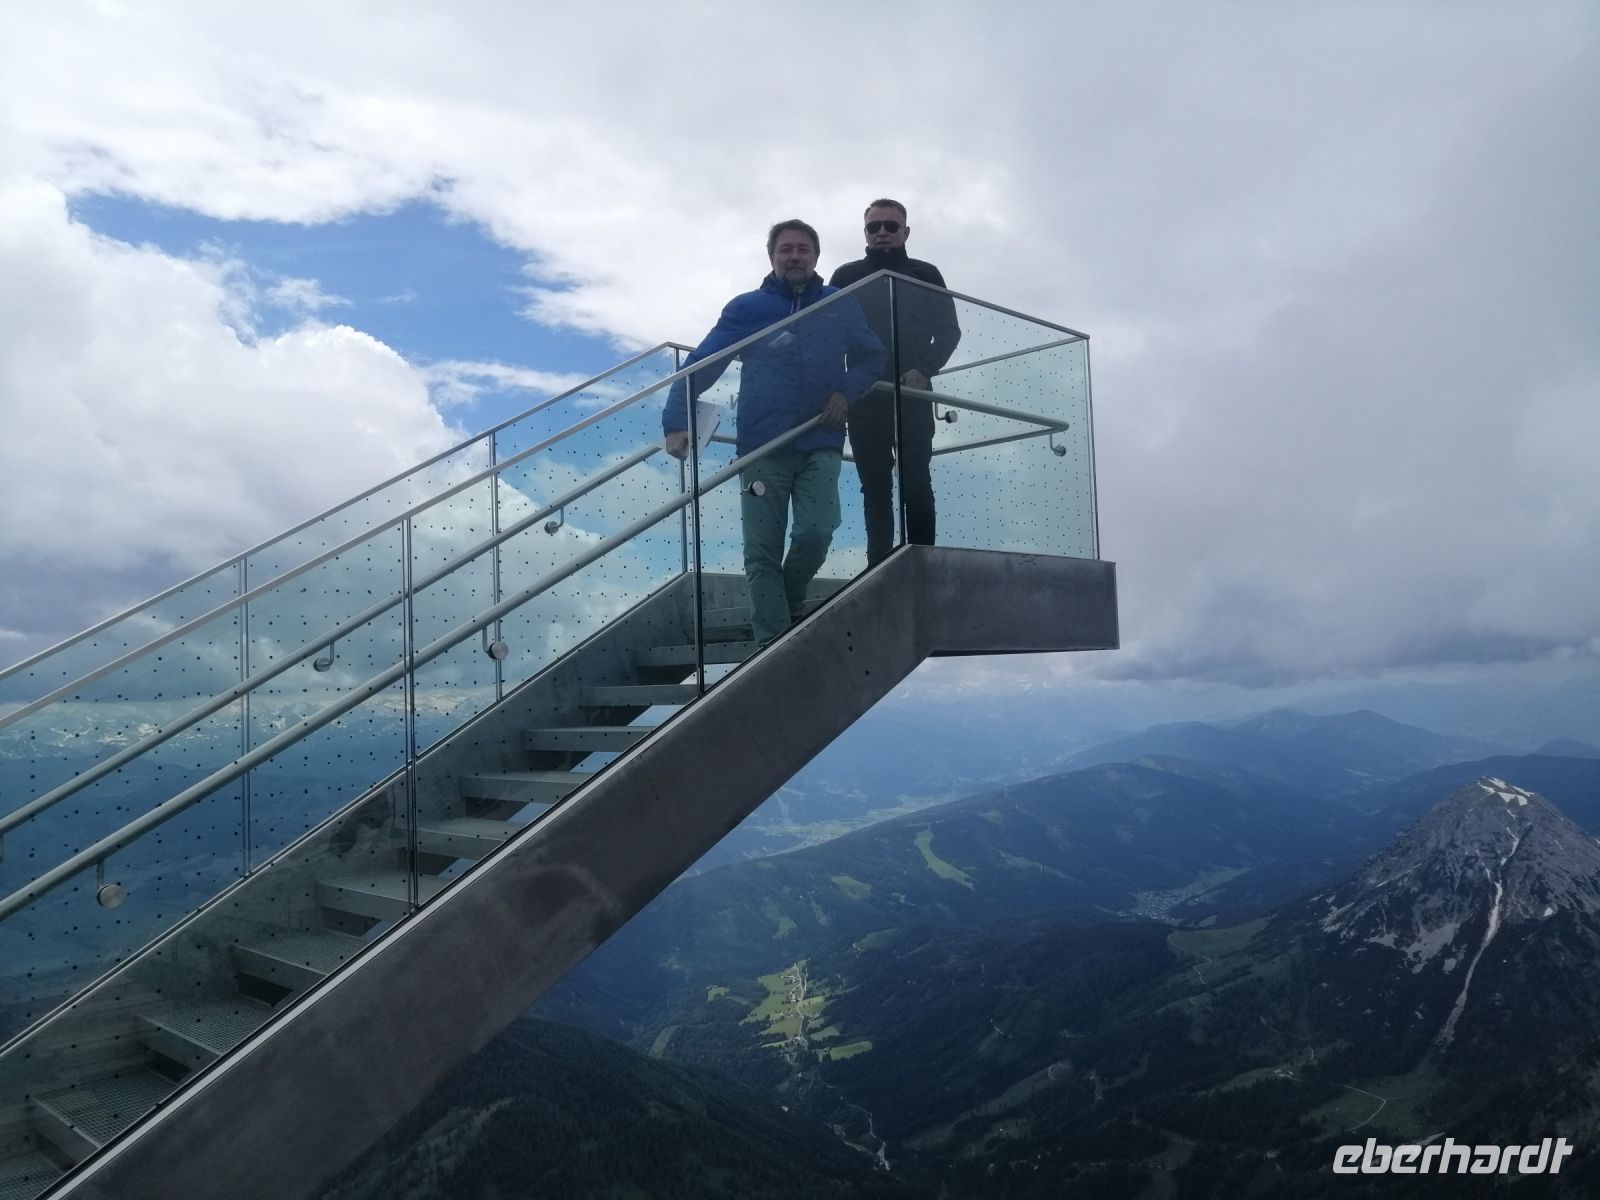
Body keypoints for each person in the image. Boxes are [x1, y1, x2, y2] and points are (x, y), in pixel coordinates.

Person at [664, 219, 887, 644]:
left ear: (816, 257)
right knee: (761, 550)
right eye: (786, 249)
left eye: (803, 249)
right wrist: (677, 421)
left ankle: (790, 596)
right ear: (772, 257)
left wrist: (846, 392)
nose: (795, 256)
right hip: (762, 447)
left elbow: (871, 357)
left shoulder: (840, 304)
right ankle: (772, 643)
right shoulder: (748, 308)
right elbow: (704, 363)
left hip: (821, 439)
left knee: (817, 530)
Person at [828, 199, 960, 566]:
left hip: (913, 395)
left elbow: (949, 332)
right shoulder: (846, 276)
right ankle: (878, 567)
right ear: (865, 233)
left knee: (916, 481)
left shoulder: (926, 273)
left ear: (906, 231)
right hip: (865, 396)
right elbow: (827, 334)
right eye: (875, 226)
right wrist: (841, 387)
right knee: (874, 486)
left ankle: (922, 564)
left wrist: (925, 370)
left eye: (891, 225)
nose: (883, 232)